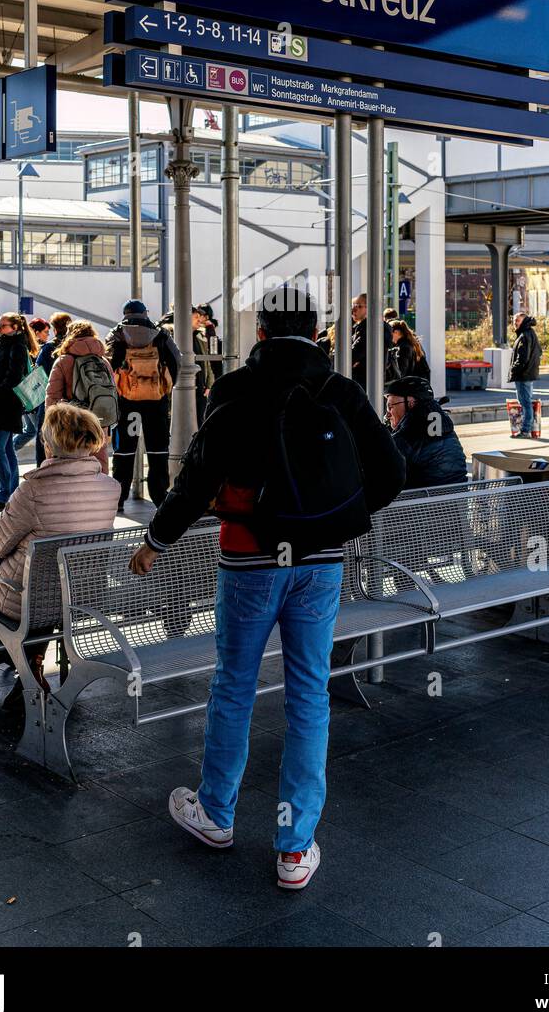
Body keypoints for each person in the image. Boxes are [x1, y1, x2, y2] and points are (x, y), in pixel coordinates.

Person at [129, 282, 405, 891]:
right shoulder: (341, 390)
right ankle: (294, 849)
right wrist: (341, 517)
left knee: (234, 685)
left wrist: (156, 541)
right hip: (320, 562)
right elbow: (392, 471)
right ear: (314, 331)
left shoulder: (234, 390)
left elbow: (196, 478)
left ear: (259, 333)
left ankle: (216, 815)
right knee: (310, 693)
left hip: (249, 561)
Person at [0, 402, 120, 710]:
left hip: (30, 598)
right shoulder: (110, 488)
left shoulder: (32, 491)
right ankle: (30, 664)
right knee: (44, 591)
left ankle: (23, 665)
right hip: (83, 595)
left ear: (50, 444)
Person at [106, 299, 180, 512]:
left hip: (126, 402)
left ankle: (119, 499)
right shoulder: (160, 334)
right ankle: (158, 496)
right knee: (158, 450)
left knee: (124, 451)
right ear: (144, 313)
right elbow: (177, 361)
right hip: (156, 402)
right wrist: (165, 386)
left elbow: (107, 363)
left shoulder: (116, 334)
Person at [0, 313, 38, 512]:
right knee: (6, 449)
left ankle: (4, 494)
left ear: (15, 327)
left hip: (7, 404)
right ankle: (10, 492)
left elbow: (13, 375)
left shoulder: (17, 346)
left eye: (3, 326)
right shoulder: (4, 343)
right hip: (1, 403)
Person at [45, 320, 115, 473]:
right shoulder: (103, 361)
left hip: (71, 421)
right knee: (99, 463)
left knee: (68, 464)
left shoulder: (64, 361)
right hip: (99, 419)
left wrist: (50, 422)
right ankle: (99, 492)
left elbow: (52, 396)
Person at [384, 376, 467, 488]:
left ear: (411, 403)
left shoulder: (409, 435)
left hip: (423, 503)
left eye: (390, 406)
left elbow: (378, 471)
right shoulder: (444, 427)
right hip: (458, 502)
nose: (387, 413)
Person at [33, 312, 71, 465]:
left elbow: (38, 371)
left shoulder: (49, 347)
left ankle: (43, 467)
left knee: (44, 436)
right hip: (70, 400)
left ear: (55, 329)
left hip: (50, 398)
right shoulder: (73, 346)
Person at [13, 317, 50, 456]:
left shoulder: (31, 346)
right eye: (45, 332)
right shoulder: (33, 348)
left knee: (30, 430)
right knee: (38, 430)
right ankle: (7, 452)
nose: (47, 336)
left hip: (28, 394)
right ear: (36, 332)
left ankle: (7, 451)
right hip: (32, 394)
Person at [350, 292, 398, 391]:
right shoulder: (366, 327)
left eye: (358, 306)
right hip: (370, 381)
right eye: (353, 305)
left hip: (364, 381)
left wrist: (354, 362)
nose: (353, 310)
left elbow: (353, 354)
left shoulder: (369, 328)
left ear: (370, 308)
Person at [508, 311, 541, 438]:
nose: (515, 323)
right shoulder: (530, 333)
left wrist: (514, 370)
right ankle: (527, 429)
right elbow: (539, 352)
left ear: (524, 321)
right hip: (528, 373)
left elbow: (522, 358)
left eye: (517, 320)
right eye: (514, 320)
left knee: (525, 402)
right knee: (526, 402)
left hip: (523, 374)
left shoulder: (524, 335)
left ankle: (525, 430)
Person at [192, 305, 216, 425]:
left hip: (201, 390)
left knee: (201, 422)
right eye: (196, 317)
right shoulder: (174, 335)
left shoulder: (200, 336)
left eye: (199, 317)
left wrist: (209, 384)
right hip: (185, 390)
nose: (199, 320)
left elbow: (208, 362)